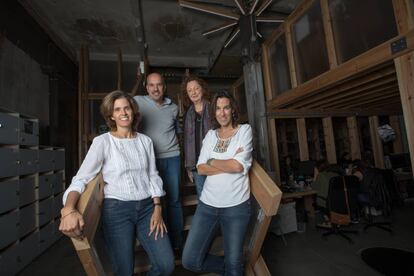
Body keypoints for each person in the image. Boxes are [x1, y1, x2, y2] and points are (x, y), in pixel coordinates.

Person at [59, 91, 175, 276]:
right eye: (117, 109)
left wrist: (157, 207)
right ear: (111, 115)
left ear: (133, 111)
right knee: (124, 271)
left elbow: (153, 176)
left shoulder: (146, 141)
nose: (123, 112)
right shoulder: (102, 142)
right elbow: (81, 178)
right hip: (117, 211)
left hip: (147, 209)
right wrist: (68, 209)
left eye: (126, 108)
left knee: (166, 265)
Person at [182, 90, 253, 275]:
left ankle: (233, 266)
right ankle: (231, 266)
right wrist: (227, 162)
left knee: (234, 267)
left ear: (233, 109)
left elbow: (238, 166)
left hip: (236, 207)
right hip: (207, 206)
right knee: (190, 260)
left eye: (226, 108)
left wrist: (212, 161)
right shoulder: (211, 136)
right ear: (214, 112)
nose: (222, 113)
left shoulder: (244, 130)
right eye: (218, 109)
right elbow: (201, 168)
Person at [133, 72, 183, 250]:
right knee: (155, 202)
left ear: (164, 86)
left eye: (159, 84)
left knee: (174, 200)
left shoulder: (174, 107)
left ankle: (177, 243)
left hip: (172, 157)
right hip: (148, 160)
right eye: (151, 85)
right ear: (146, 87)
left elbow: (176, 131)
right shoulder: (137, 101)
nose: (156, 88)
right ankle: (163, 243)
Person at [181, 75, 212, 197]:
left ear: (202, 89)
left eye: (196, 88)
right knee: (203, 198)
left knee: (218, 196)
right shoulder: (188, 114)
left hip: (214, 162)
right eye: (190, 90)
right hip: (196, 165)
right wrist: (189, 167)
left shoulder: (213, 108)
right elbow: (186, 142)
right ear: (187, 94)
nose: (193, 92)